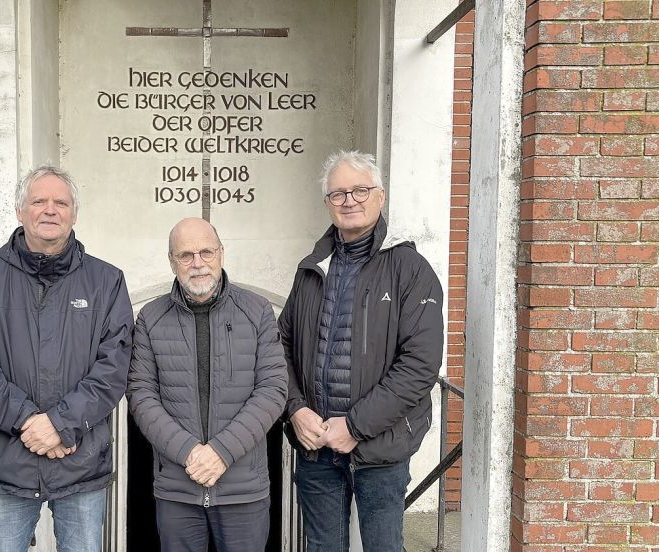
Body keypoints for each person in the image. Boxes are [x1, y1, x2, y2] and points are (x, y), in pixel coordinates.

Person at [0, 164, 133, 552]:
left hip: (81, 463)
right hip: (8, 465)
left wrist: (60, 424)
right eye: (39, 201)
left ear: (74, 214)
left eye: (61, 202)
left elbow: (114, 366)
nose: (50, 210)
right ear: (20, 211)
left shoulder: (107, 281)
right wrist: (28, 423)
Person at [280, 150, 444, 551]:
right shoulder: (312, 270)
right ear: (327, 204)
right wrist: (296, 408)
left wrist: (353, 426)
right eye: (338, 194)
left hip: (381, 450)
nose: (349, 200)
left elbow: (419, 366)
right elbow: (278, 346)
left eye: (360, 190)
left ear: (381, 196)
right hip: (316, 447)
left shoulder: (409, 269)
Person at [128, 217, 287, 552]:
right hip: (177, 489)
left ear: (221, 254)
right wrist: (189, 453)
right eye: (186, 255)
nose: (197, 263)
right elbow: (142, 396)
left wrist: (220, 452)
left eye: (206, 252)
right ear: (171, 261)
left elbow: (272, 390)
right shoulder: (150, 318)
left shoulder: (256, 311)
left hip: (243, 488)